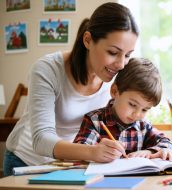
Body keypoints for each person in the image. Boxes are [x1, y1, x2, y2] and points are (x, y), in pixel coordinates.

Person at [3, 2, 138, 176]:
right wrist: (92, 152)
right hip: (26, 161)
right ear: (88, 40)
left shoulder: (115, 77)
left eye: (128, 55)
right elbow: (41, 140)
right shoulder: (47, 69)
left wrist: (154, 149)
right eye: (113, 52)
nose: (121, 64)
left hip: (67, 164)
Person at [73, 58, 172, 162]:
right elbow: (78, 151)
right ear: (114, 91)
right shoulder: (94, 121)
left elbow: (167, 144)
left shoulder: (143, 126)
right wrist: (95, 152)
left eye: (145, 110)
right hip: (100, 178)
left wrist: (150, 152)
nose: (137, 114)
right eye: (132, 104)